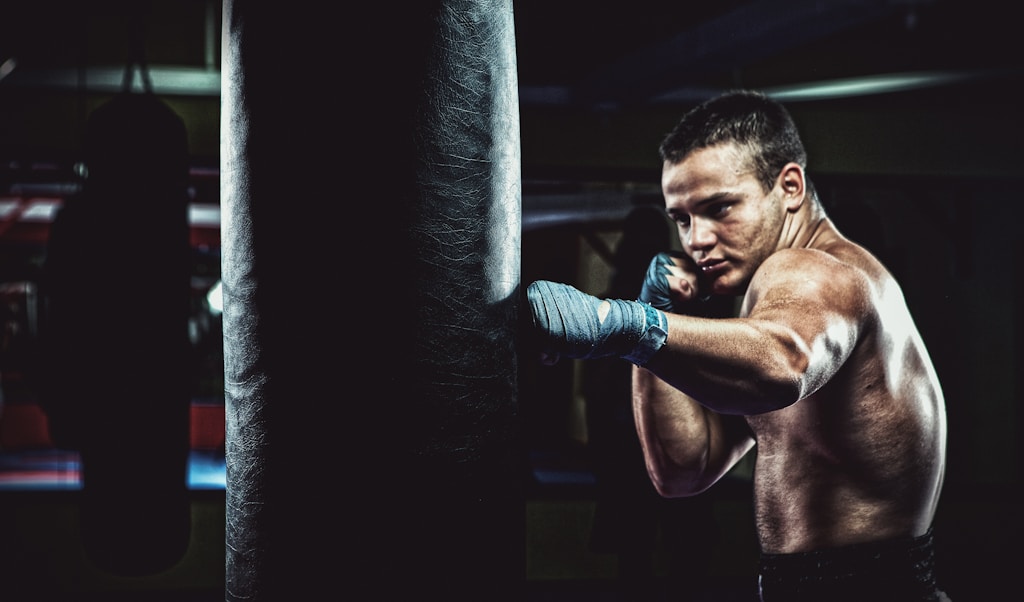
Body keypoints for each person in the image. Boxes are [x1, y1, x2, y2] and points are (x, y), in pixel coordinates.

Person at [525, 90, 950, 601]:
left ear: (789, 186)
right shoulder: (773, 299)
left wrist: (621, 323)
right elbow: (685, 469)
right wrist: (659, 317)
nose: (696, 239)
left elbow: (783, 363)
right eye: (681, 218)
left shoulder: (815, 270)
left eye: (719, 207)